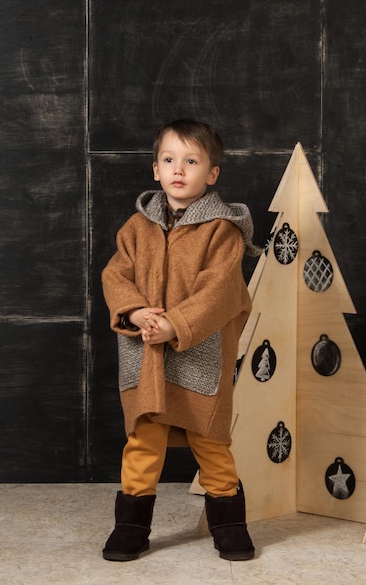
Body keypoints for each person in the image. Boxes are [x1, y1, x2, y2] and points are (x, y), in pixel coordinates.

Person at [101, 118, 261, 562]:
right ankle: (130, 527)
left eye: (191, 161)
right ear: (155, 169)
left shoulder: (221, 231)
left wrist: (177, 324)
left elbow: (221, 290)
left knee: (210, 440)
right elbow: (116, 275)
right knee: (143, 440)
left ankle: (229, 524)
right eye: (170, 160)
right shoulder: (136, 228)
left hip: (199, 353)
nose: (178, 169)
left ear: (211, 173)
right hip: (145, 352)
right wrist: (134, 311)